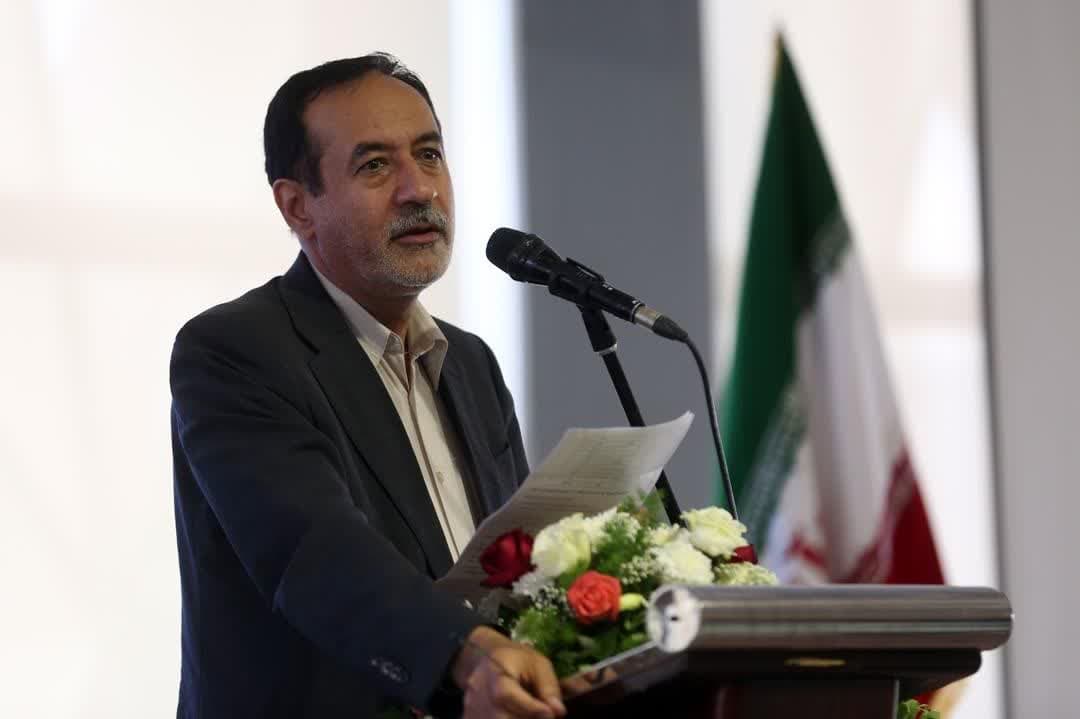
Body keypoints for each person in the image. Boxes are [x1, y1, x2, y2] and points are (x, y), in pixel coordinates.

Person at [170, 53, 565, 718]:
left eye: (430, 154)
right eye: (376, 165)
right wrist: (466, 654)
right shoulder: (237, 351)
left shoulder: (471, 364)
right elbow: (314, 551)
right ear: (298, 206)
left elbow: (509, 565)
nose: (419, 189)